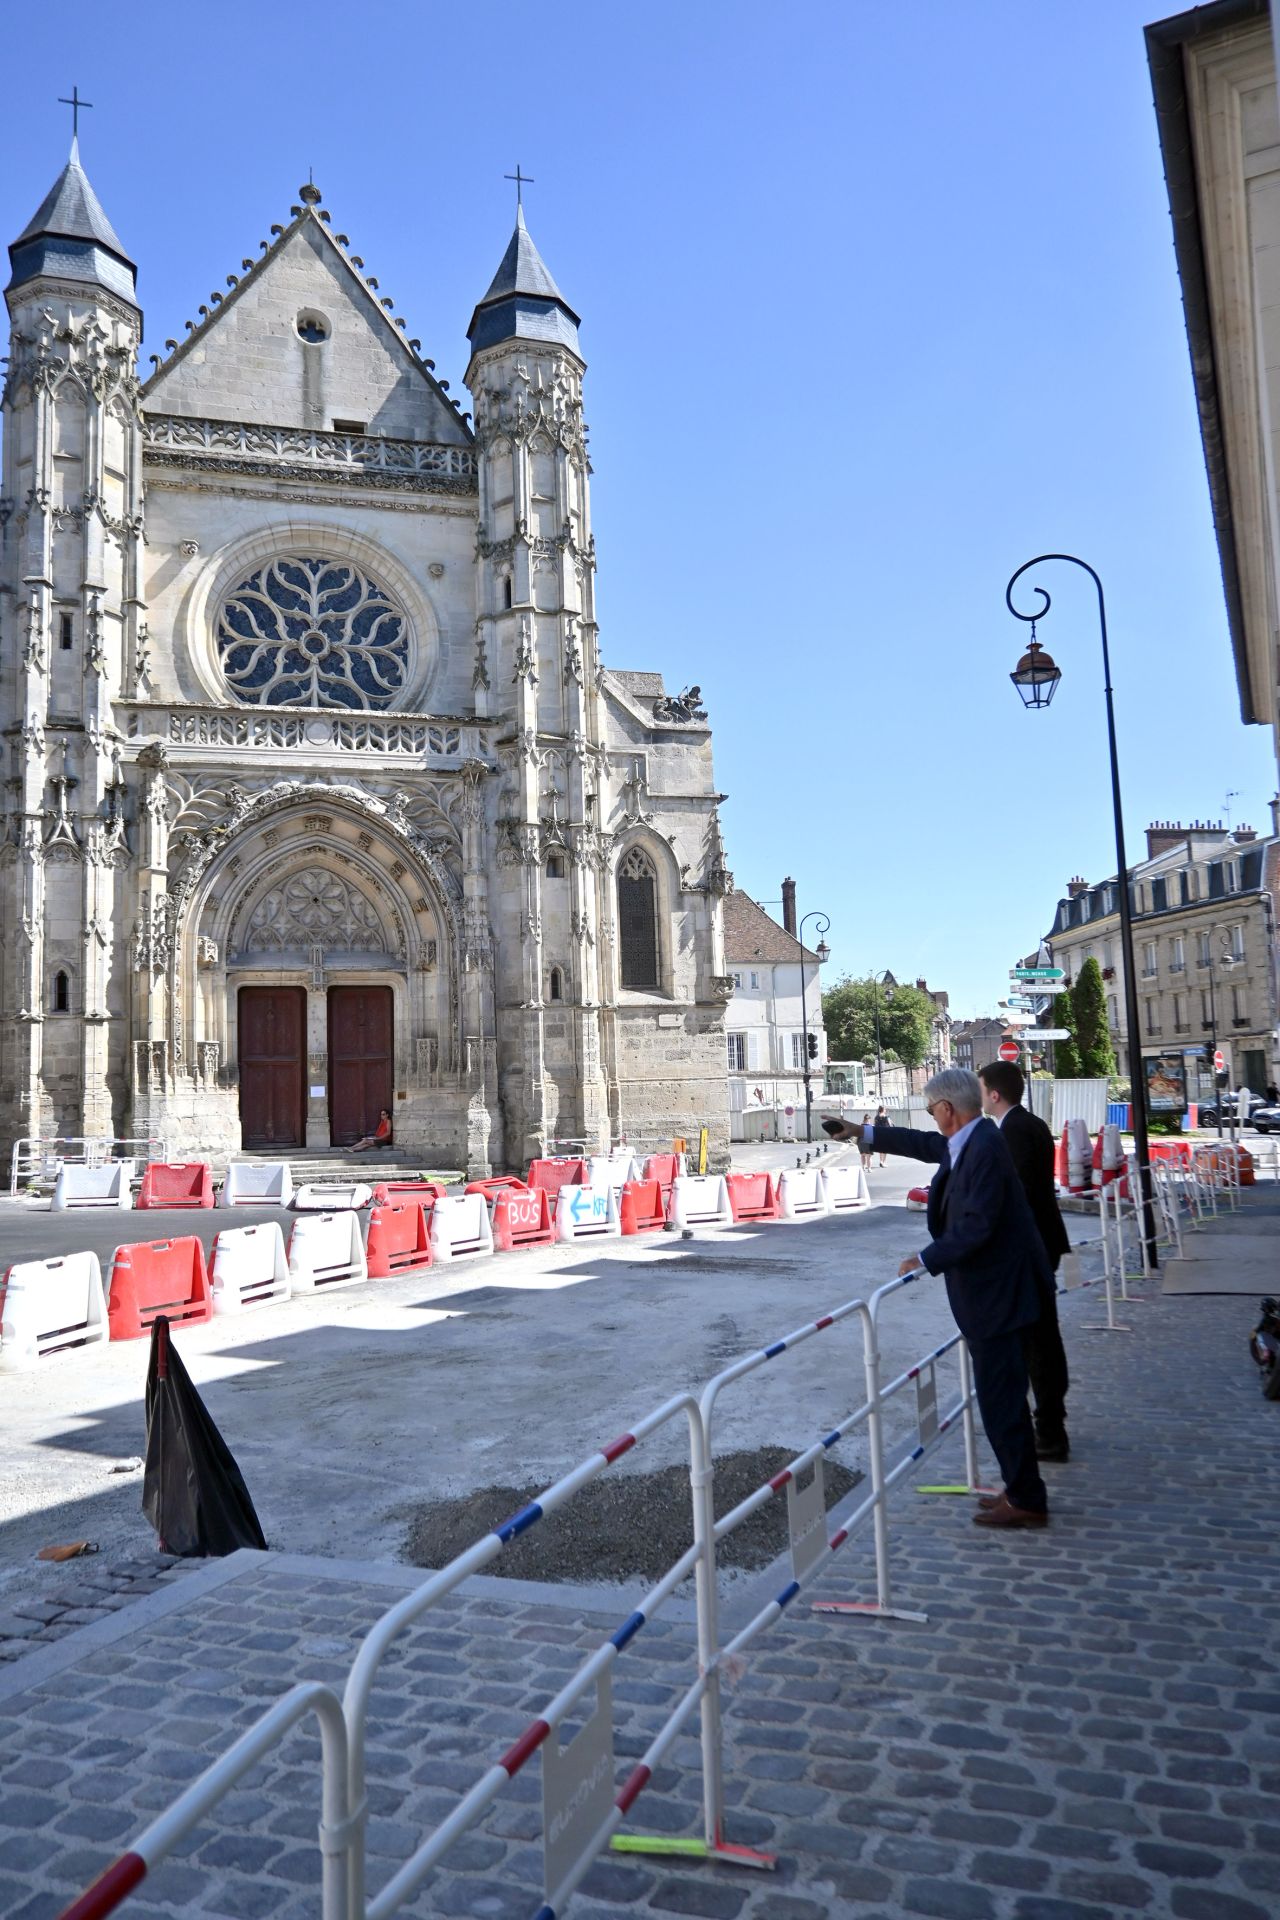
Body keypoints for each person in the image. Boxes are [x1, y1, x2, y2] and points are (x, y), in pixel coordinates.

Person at [827, 1068, 1050, 1528]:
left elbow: (977, 1224)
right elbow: (922, 1144)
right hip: (996, 1294)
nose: (931, 1119)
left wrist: (925, 1258)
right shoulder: (973, 1138)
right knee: (1001, 1398)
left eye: (931, 1111)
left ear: (948, 1109)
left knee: (1002, 1400)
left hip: (998, 1297)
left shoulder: (984, 1147)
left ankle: (1026, 1498)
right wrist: (861, 1133)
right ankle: (1019, 1486)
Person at [978, 1061, 1071, 1462]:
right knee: (1041, 1339)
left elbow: (1016, 1195)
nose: (980, 1097)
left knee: (1038, 1343)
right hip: (1043, 1243)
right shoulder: (1030, 1123)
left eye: (982, 1089)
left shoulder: (1013, 1130)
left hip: (1030, 1249)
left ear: (994, 1094)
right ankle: (1050, 1425)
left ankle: (1048, 1431)